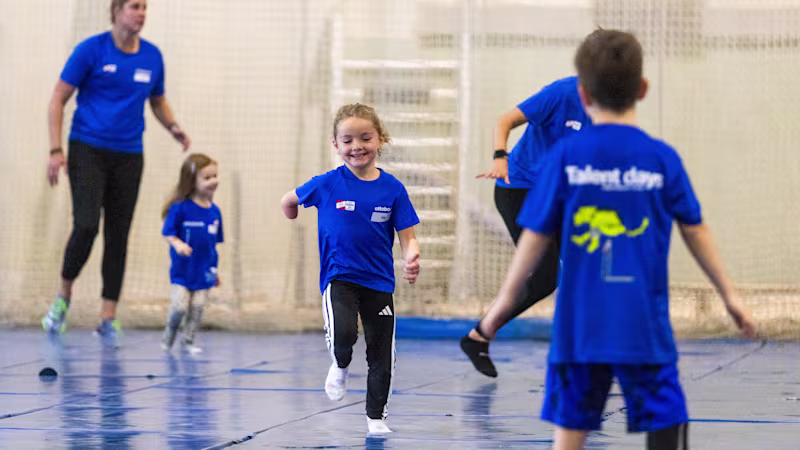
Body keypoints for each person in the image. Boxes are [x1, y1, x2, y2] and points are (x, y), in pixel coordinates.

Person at [476, 29, 756, 450]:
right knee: (665, 419)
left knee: (570, 430)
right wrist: (730, 296)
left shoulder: (565, 159)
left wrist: (502, 304)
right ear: (642, 89)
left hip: (579, 327)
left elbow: (533, 242)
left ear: (583, 94)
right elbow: (695, 229)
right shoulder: (661, 158)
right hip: (643, 322)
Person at [42, 0, 190, 347]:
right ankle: (63, 297)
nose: (141, 13)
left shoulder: (152, 57)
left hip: (128, 155)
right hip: (87, 149)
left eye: (144, 8)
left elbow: (157, 99)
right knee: (87, 224)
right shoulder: (91, 50)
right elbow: (57, 100)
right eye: (134, 7)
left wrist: (173, 127)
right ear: (116, 11)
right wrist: (55, 150)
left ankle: (108, 316)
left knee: (118, 234)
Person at [280, 103, 421, 434]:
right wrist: (292, 213)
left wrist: (412, 257)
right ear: (336, 145)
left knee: (381, 353)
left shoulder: (393, 190)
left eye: (365, 137)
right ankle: (340, 363)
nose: (356, 146)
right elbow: (288, 200)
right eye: (347, 140)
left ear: (380, 140)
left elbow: (408, 237)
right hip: (339, 276)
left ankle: (375, 417)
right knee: (344, 334)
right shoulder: (327, 184)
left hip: (379, 281)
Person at [462, 76, 591, 377]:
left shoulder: (610, 108)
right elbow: (506, 119)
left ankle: (480, 337)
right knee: (545, 276)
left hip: (558, 195)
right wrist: (500, 157)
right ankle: (480, 335)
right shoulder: (560, 94)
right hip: (520, 190)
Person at [161, 154, 222, 355]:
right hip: (182, 272)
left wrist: (215, 271)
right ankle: (169, 334)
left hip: (203, 272)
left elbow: (214, 246)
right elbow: (168, 232)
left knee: (197, 308)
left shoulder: (215, 212)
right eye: (207, 177)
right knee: (179, 307)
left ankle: (188, 341)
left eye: (215, 176)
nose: (213, 181)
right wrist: (177, 244)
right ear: (192, 181)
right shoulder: (180, 209)